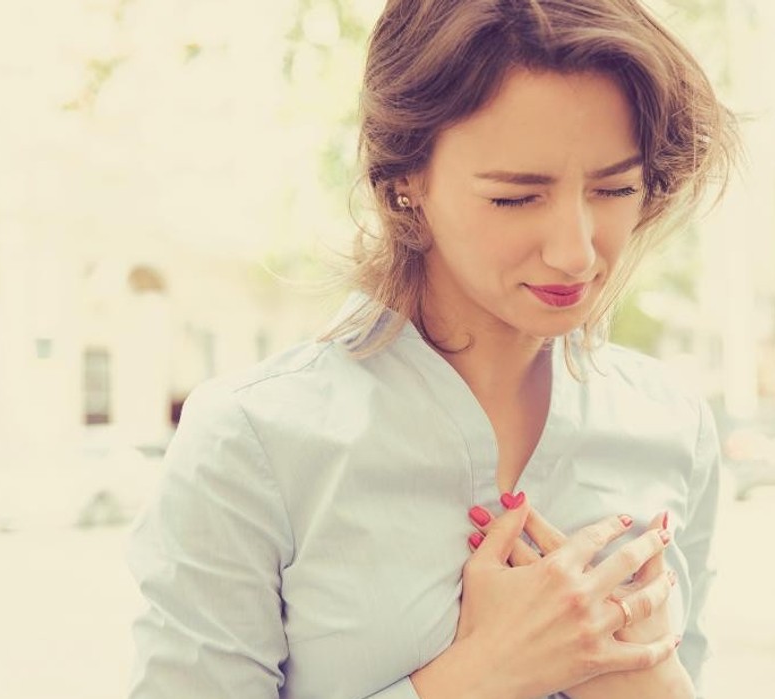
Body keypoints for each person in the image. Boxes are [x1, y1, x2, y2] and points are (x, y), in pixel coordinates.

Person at [126, 0, 737, 697]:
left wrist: (646, 678)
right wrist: (480, 673)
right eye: (515, 197)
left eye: (614, 188)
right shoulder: (255, 439)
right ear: (405, 180)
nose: (574, 251)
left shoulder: (672, 426)